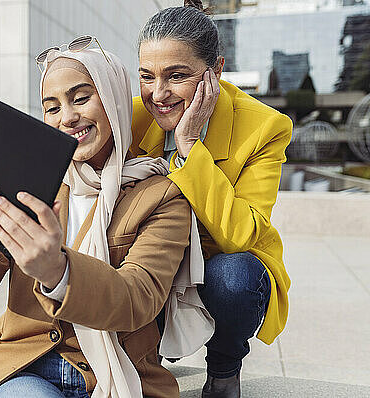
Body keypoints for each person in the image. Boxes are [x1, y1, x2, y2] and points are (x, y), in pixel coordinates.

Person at [0, 44, 193, 398]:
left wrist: (58, 272)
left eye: (81, 98)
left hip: (119, 373)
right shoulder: (35, 182)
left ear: (115, 99)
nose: (67, 117)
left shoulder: (161, 196)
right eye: (52, 107)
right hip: (26, 365)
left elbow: (139, 299)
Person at [131, 2, 293, 397]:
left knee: (235, 278)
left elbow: (240, 235)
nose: (159, 93)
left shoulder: (264, 126)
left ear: (215, 71)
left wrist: (188, 147)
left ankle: (223, 368)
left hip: (218, 261)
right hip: (154, 256)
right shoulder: (133, 114)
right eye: (146, 76)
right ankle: (146, 352)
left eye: (177, 76)